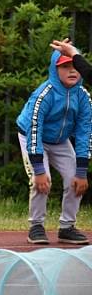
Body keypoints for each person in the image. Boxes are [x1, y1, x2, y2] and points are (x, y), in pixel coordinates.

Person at [16, 50, 90, 245]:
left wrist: (82, 171)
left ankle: (67, 227)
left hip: (61, 141)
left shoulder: (83, 97)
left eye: (75, 66)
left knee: (76, 179)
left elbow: (84, 132)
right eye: (65, 67)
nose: (72, 71)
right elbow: (34, 130)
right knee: (42, 181)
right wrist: (39, 170)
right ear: (54, 70)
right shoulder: (44, 94)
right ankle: (36, 226)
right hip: (32, 138)